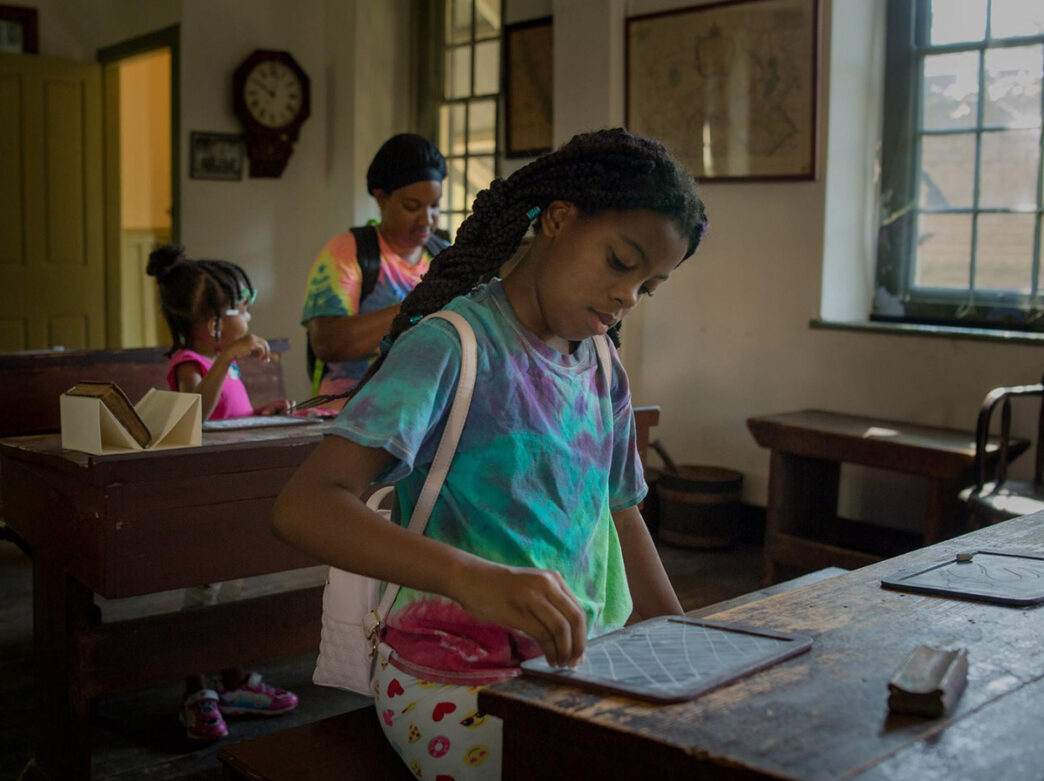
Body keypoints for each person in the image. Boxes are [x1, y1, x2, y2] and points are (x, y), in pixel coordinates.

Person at [272, 128, 708, 779]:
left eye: (650, 285)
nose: (628, 297)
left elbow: (623, 512)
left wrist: (687, 653)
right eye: (621, 262)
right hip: (455, 680)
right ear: (558, 219)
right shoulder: (451, 346)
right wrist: (469, 577)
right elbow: (305, 505)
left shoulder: (602, 364)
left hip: (586, 667)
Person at [147, 245, 299, 741]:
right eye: (242, 308)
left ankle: (232, 680)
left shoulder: (221, 365)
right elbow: (198, 414)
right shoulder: (189, 363)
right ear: (213, 323)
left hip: (234, 496)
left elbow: (232, 417)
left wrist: (266, 411)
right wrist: (229, 357)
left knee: (235, 592)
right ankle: (197, 689)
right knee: (202, 595)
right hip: (203, 502)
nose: (250, 317)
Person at [300, 133, 450, 404]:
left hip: (422, 417)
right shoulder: (350, 252)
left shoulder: (446, 257)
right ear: (382, 199)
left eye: (435, 205)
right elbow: (328, 342)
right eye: (412, 206)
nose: (427, 219)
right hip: (349, 416)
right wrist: (420, 305)